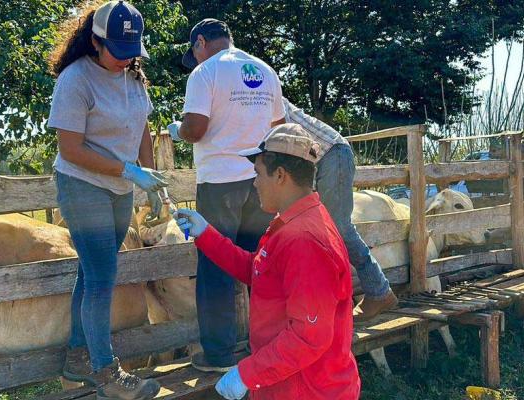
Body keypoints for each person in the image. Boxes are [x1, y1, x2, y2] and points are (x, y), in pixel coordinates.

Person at [173, 124, 361, 400]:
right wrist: (206, 234)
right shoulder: (289, 223)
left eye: (258, 173)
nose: (254, 183)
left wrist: (246, 374)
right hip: (288, 383)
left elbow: (309, 337)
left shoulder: (305, 240)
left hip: (308, 390)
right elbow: (259, 272)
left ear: (281, 176)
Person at [46, 1, 165, 398]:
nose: (127, 59)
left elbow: (144, 128)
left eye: (133, 51)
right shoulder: (75, 79)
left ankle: (78, 358)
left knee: (92, 272)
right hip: (83, 185)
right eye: (119, 50)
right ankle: (106, 374)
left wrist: (152, 182)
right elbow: (71, 149)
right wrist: (129, 171)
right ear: (96, 41)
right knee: (102, 278)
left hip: (119, 189)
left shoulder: (133, 78)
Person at [166, 18, 286, 372]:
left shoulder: (205, 74)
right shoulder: (265, 71)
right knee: (260, 266)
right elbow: (278, 129)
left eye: (195, 52)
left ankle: (218, 355)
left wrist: (177, 130)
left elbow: (196, 128)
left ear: (200, 42)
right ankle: (265, 345)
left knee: (217, 265)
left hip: (220, 183)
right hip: (260, 182)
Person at [282, 97, 398, 321]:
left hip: (329, 153)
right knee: (316, 231)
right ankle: (327, 301)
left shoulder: (258, 91)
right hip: (319, 158)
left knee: (338, 229)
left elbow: (280, 135)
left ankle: (379, 291)